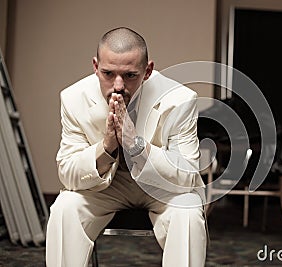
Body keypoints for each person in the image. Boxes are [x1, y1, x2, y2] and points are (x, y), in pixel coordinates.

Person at [46, 27, 207, 267]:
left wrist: (135, 144)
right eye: (108, 73)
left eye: (130, 75)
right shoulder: (73, 98)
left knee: (188, 210)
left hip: (161, 186)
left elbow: (187, 175)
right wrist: (107, 146)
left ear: (148, 71)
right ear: (95, 66)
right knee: (65, 207)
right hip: (107, 186)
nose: (118, 85)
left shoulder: (180, 99)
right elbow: (68, 173)